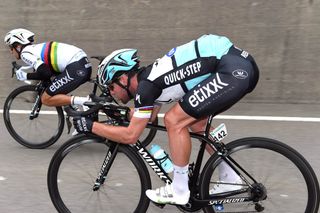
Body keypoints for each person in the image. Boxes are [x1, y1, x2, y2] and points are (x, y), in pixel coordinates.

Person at [72, 34, 259, 205]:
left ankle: (179, 190)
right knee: (195, 122)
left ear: (122, 78)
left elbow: (131, 136)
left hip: (231, 70)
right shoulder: (150, 80)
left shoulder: (147, 88)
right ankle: (231, 177)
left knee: (174, 120)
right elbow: (148, 117)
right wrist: (114, 112)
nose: (112, 93)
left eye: (111, 87)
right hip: (239, 64)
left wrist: (91, 126)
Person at [4, 28, 92, 107]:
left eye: (11, 48)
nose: (11, 51)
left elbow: (45, 73)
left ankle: (85, 102)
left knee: (46, 99)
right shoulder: (35, 49)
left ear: (18, 47)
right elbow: (46, 72)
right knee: (54, 88)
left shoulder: (25, 54)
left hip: (76, 67)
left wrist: (26, 76)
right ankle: (77, 107)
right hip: (81, 64)